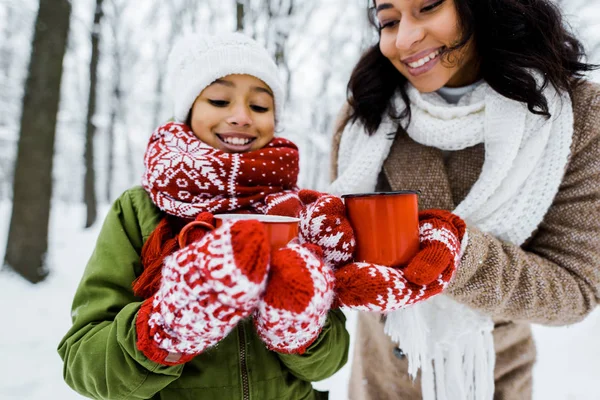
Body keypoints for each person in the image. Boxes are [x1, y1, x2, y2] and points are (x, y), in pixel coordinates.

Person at [328, 0, 600, 399]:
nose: (404, 39)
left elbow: (576, 288)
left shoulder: (575, 115)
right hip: (378, 381)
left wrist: (456, 257)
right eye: (388, 21)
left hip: (494, 379)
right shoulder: (366, 115)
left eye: (428, 7)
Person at [58, 32, 350, 400]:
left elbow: (331, 361)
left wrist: (300, 330)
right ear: (188, 109)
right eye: (219, 99)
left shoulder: (298, 215)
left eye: (260, 107)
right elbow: (82, 361)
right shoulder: (139, 211)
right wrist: (165, 332)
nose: (242, 117)